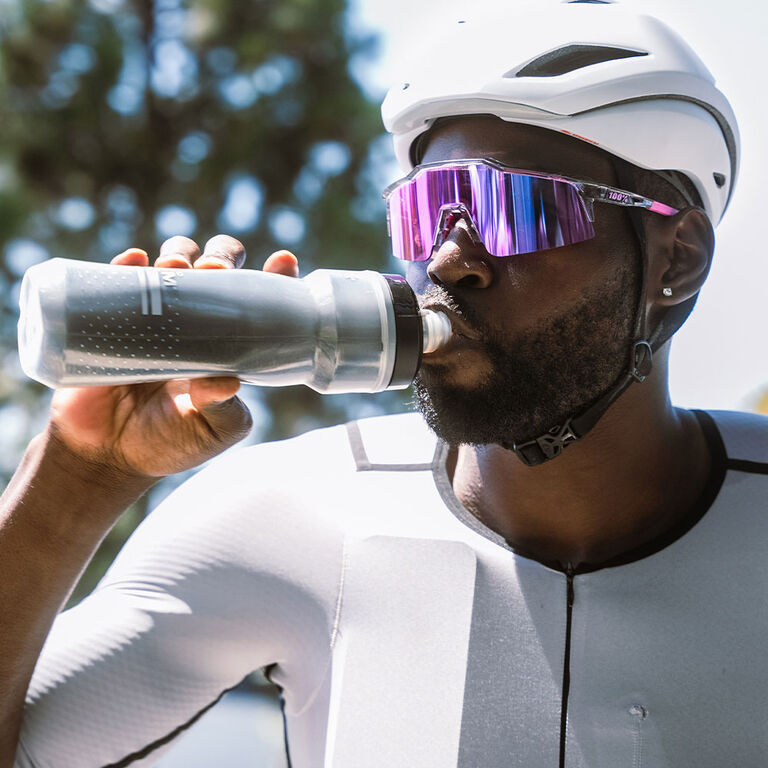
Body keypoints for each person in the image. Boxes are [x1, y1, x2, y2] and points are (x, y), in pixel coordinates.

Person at [1, 2, 764, 766]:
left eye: (515, 208)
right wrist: (79, 475)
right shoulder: (289, 513)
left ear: (678, 257)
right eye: (427, 209)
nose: (445, 261)